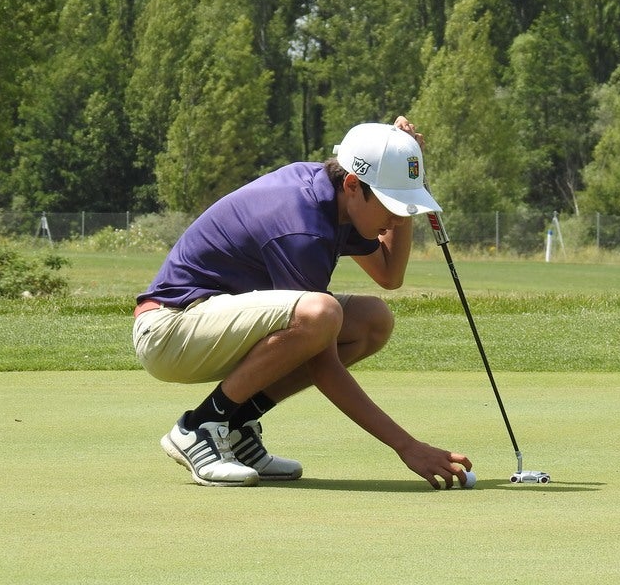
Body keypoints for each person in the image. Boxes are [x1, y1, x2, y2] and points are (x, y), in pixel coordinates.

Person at [132, 116, 472, 489]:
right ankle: (200, 426)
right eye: (391, 204)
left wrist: (406, 190)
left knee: (372, 321)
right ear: (354, 186)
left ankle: (236, 425)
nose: (394, 220)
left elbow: (390, 275)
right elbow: (321, 360)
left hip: (209, 323)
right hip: (170, 331)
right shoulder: (302, 222)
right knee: (321, 314)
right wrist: (407, 446)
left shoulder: (336, 199)